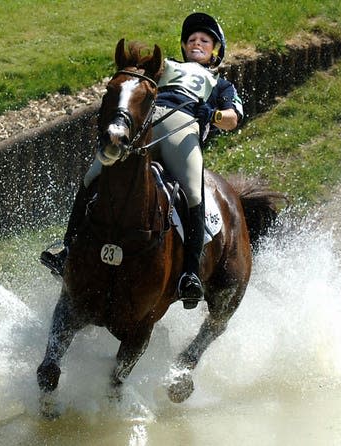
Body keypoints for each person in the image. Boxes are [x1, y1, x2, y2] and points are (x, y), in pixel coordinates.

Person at [41, 12, 244, 309]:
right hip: (145, 126)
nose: (196, 43)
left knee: (192, 192)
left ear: (215, 49)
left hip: (182, 129)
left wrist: (212, 115)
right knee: (93, 175)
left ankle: (189, 274)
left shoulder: (220, 84)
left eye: (204, 40)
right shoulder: (166, 67)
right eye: (191, 40)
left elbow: (233, 119)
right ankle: (67, 249)